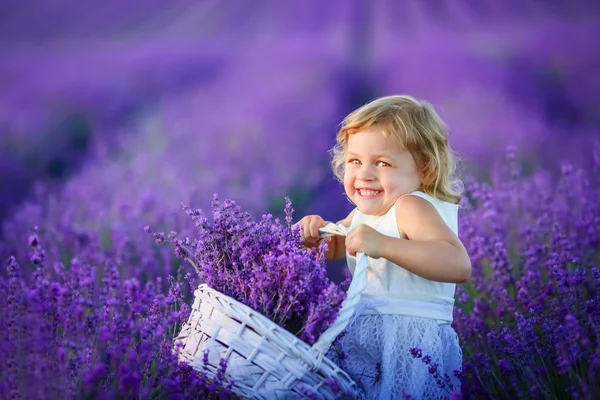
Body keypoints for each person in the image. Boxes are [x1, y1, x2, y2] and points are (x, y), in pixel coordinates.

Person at [296, 95, 471, 399]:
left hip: (410, 345)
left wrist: (385, 245)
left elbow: (457, 263)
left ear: (425, 169)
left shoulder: (411, 206)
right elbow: (341, 245)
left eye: (382, 163)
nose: (365, 173)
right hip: (367, 337)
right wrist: (316, 233)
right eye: (355, 161)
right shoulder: (364, 213)